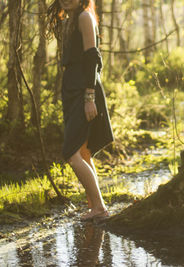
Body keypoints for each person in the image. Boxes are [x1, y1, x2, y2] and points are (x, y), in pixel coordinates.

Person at [47, 0, 114, 220]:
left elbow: (92, 59)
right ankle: (96, 205)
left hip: (83, 90)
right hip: (72, 89)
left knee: (71, 152)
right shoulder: (68, 19)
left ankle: (100, 209)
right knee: (83, 152)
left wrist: (89, 97)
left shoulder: (85, 17)